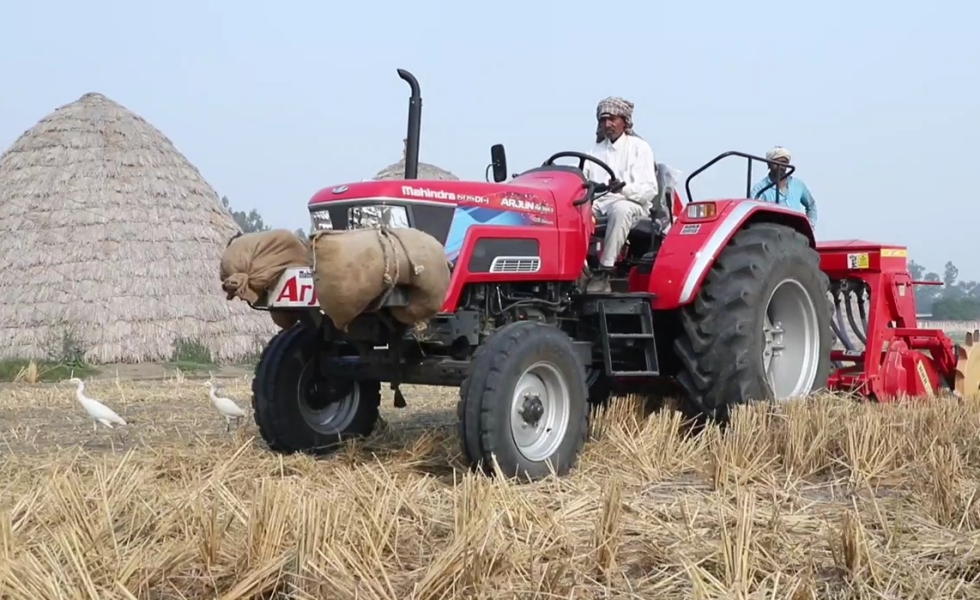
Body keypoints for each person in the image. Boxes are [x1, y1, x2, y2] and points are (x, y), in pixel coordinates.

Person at [581, 96, 660, 293]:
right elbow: (581, 178)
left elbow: (649, 190)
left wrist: (623, 189)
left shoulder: (639, 148)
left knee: (620, 209)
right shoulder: (594, 151)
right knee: (573, 212)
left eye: (612, 119)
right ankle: (579, 268)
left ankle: (605, 271)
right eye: (603, 120)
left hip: (632, 203)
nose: (607, 124)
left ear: (624, 121)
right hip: (600, 203)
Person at [750, 146, 818, 225]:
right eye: (776, 163)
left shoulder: (798, 185)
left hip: (796, 231)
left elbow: (811, 205)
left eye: (784, 163)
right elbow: (753, 212)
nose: (780, 166)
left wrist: (810, 225)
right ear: (769, 164)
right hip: (773, 231)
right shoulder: (760, 188)